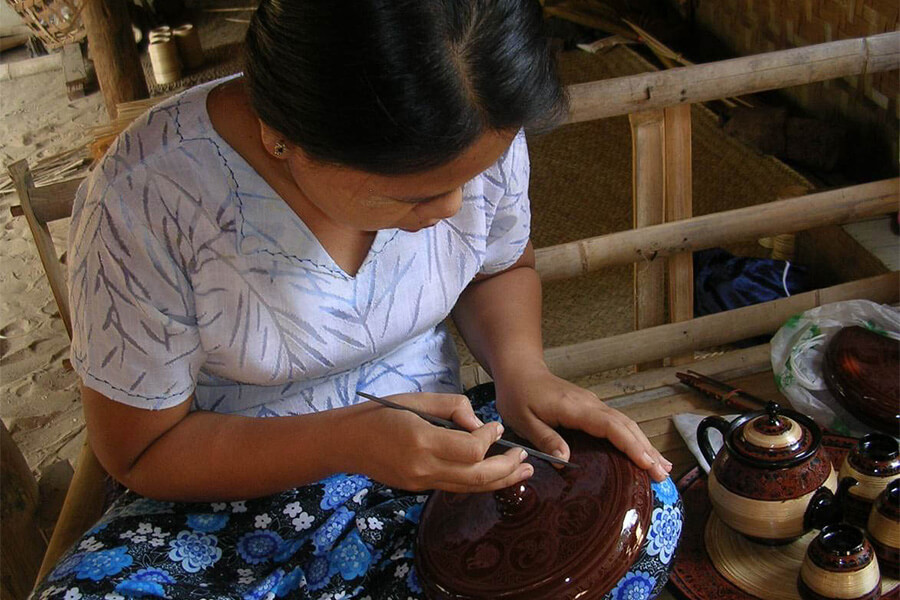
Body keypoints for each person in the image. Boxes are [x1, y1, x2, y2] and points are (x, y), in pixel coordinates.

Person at [33, 1, 672, 598]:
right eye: (412, 196)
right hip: (219, 492)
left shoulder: (473, 120)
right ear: (285, 137)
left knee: (641, 516)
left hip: (439, 450)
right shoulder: (147, 198)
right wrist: (349, 442)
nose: (453, 208)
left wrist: (522, 370)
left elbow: (496, 269)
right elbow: (142, 450)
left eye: (472, 178)